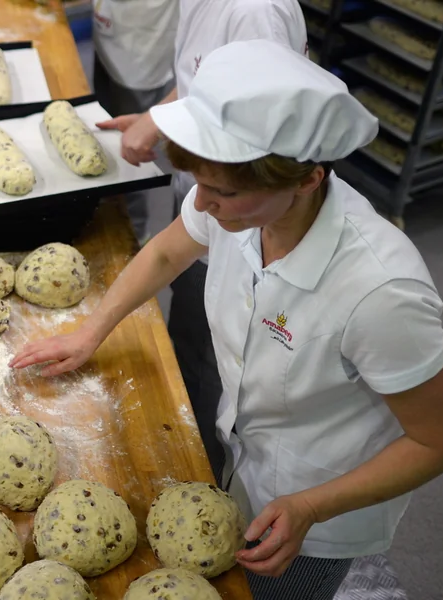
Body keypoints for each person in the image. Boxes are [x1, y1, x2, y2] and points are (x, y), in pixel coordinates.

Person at [11, 40, 443, 599]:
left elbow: (441, 441)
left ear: (307, 179)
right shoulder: (241, 209)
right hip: (246, 456)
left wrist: (310, 506)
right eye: (199, 183)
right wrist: (91, 331)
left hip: (318, 511)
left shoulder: (380, 293)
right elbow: (167, 252)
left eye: (223, 192)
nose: (201, 203)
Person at [96, 0, 308, 482]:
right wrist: (160, 116)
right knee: (189, 339)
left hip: (244, 226)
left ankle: (203, 474)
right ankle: (186, 452)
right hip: (219, 203)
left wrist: (210, 195)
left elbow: (260, 134)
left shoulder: (255, 14)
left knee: (218, 369)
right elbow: (207, 81)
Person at [90, 0, 178, 245]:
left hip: (140, 50)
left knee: (130, 155)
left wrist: (156, 118)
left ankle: (136, 237)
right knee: (106, 138)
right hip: (111, 32)